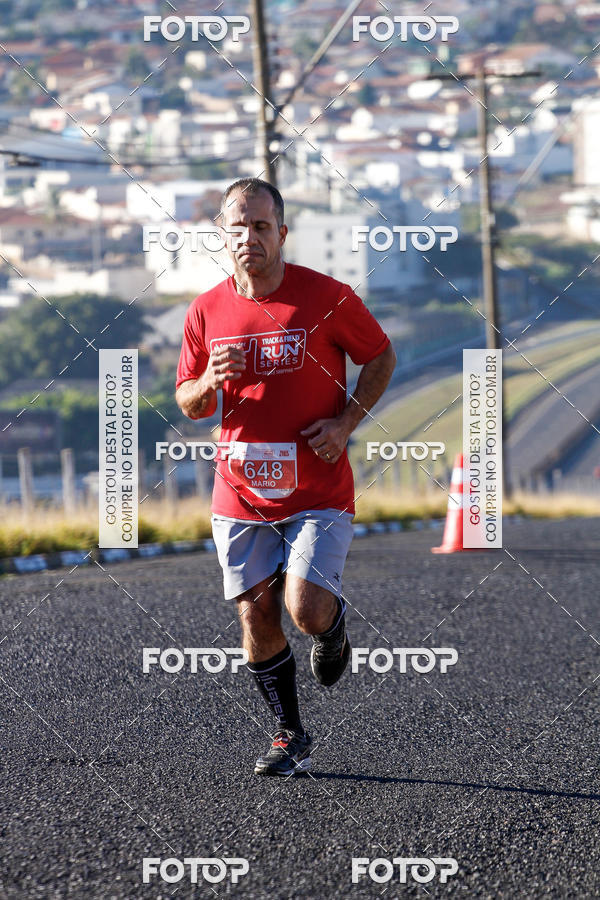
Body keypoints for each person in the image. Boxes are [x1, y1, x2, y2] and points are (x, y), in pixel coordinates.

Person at [175, 178, 396, 776]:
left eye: (261, 226)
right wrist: (209, 380)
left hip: (317, 488)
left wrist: (346, 423)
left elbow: (381, 356)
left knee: (306, 610)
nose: (250, 237)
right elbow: (189, 402)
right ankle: (288, 734)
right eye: (239, 227)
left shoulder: (327, 297)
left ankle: (333, 627)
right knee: (255, 615)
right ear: (222, 235)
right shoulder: (205, 311)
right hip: (239, 491)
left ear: (282, 233)